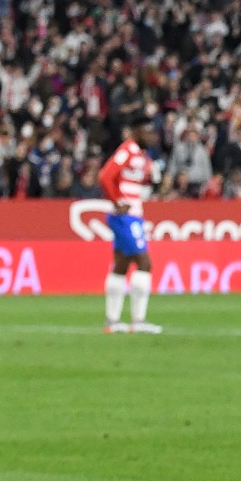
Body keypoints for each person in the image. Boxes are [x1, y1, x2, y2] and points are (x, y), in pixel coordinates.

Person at [99, 118, 161, 334]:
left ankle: (112, 322)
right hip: (126, 216)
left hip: (131, 214)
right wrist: (116, 201)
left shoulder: (141, 155)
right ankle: (138, 321)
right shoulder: (127, 150)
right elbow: (105, 177)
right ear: (136, 132)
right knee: (144, 262)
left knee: (121, 265)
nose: (152, 137)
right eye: (147, 132)